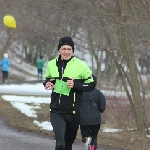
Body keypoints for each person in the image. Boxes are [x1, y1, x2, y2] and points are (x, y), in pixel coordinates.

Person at [43, 36, 96, 150]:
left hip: (73, 112)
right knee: (60, 144)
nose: (66, 52)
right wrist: (47, 83)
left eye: (69, 49)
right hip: (56, 111)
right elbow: (47, 79)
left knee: (67, 145)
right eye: (64, 49)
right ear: (59, 50)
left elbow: (92, 83)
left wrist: (76, 85)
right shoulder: (52, 64)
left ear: (72, 50)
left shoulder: (80, 65)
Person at [80, 75, 106, 150]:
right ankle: (92, 147)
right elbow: (102, 107)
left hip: (83, 119)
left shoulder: (80, 93)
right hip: (95, 120)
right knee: (94, 136)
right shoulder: (99, 94)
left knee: (85, 135)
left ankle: (86, 139)